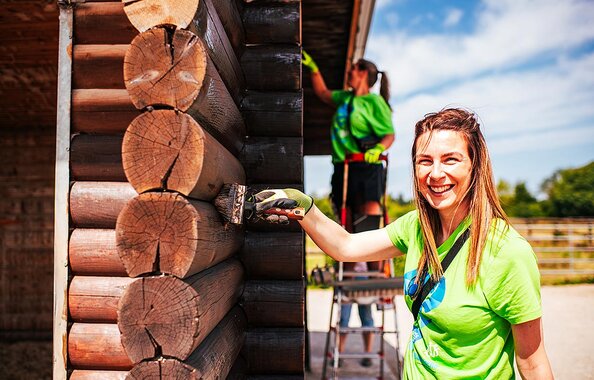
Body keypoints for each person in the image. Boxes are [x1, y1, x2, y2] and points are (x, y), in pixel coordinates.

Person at [254, 108, 554, 379]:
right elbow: (345, 247)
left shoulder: (507, 252)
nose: (436, 174)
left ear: (475, 166)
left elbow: (532, 363)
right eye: (425, 161)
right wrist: (306, 208)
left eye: (451, 159)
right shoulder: (415, 227)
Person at [302, 50, 395, 367]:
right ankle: (349, 268)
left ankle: (372, 277)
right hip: (342, 166)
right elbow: (323, 93)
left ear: (365, 75)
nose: (350, 72)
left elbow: (389, 134)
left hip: (365, 165)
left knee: (366, 220)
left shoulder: (374, 103)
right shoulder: (343, 98)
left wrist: (378, 150)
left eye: (354, 69)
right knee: (345, 220)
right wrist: (313, 69)